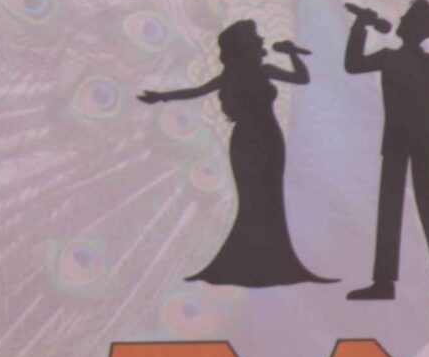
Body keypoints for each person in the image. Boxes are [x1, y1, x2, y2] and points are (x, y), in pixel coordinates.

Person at [138, 18, 330, 287]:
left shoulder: (258, 71)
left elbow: (301, 78)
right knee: (253, 198)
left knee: (270, 197)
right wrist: (161, 97)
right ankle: (249, 263)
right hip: (251, 138)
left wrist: (292, 54)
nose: (261, 41)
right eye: (255, 38)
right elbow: (195, 91)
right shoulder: (247, 74)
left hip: (268, 137)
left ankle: (273, 261)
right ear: (245, 46)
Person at [345, 0, 429, 301]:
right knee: (424, 205)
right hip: (419, 139)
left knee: (394, 207)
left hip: (402, 139)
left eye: (406, 18)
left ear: (415, 27)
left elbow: (353, 64)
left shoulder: (394, 58)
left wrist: (360, 26)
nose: (400, 20)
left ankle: (387, 282)